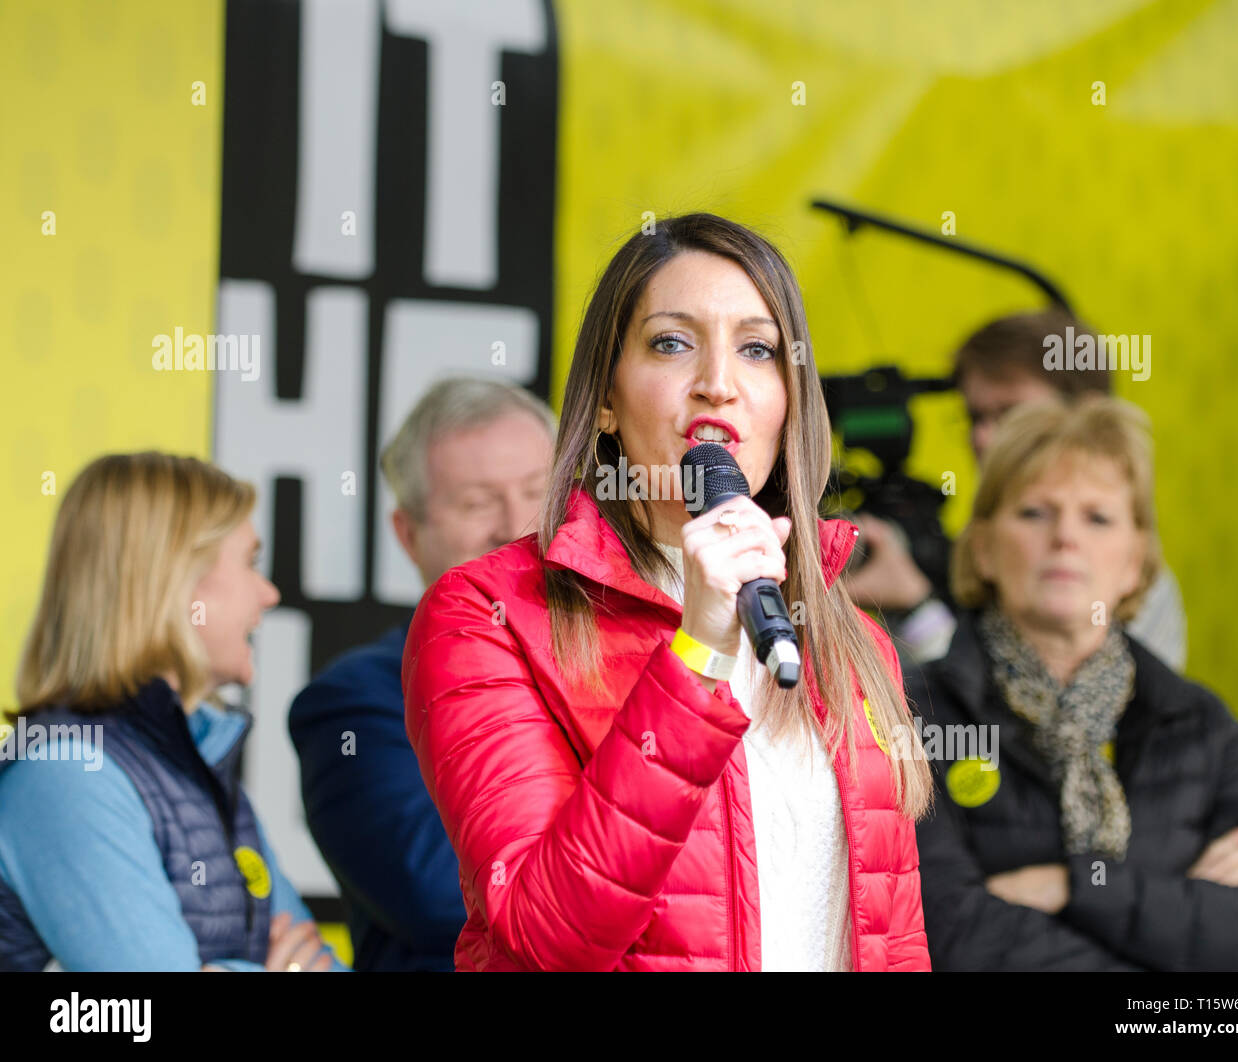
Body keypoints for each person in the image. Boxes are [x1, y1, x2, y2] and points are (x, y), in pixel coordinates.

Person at [402, 213, 934, 972]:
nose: (718, 383)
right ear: (608, 401)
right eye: (673, 343)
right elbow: (545, 936)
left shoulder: (846, 633)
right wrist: (698, 651)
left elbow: (894, 941)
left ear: (788, 401)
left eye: (757, 349)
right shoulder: (488, 615)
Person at [908, 397, 1238, 970]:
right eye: (1035, 513)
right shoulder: (913, 711)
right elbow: (947, 929)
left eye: (1098, 517)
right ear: (985, 548)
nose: (1066, 537)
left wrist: (1071, 889)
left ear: (1136, 562)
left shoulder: (1195, 722)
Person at [0, 452, 347, 972]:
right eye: (251, 563)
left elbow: (319, 962)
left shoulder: (198, 762)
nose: (269, 594)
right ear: (173, 581)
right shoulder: (68, 773)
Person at [288, 378, 555, 971]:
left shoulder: (630, 664)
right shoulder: (353, 704)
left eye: (539, 492)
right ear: (407, 534)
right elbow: (438, 896)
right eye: (477, 502)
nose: (515, 529)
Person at [845, 308, 1187, 672]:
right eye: (975, 417)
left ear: (1084, 419)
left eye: (1011, 414)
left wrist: (916, 612)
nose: (982, 437)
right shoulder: (978, 547)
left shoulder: (1122, 575)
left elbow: (1057, 719)